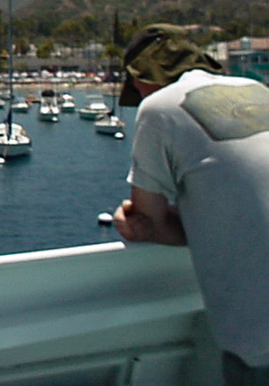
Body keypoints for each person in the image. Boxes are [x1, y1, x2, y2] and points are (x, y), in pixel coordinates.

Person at [112, 23, 269, 386]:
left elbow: (148, 222)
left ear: (143, 78)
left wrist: (132, 221)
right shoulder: (257, 90)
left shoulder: (156, 108)